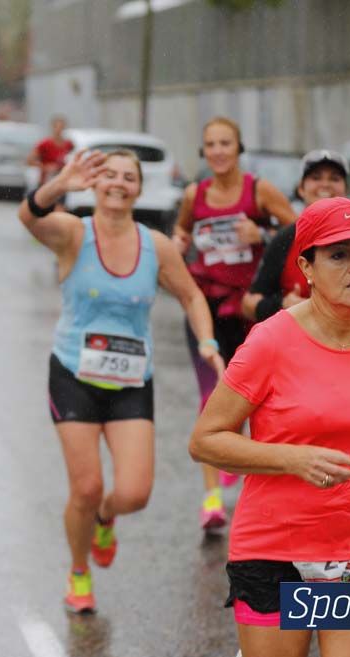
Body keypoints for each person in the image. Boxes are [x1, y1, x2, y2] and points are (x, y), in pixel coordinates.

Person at [189, 196, 350, 657]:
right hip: (272, 548)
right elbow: (205, 439)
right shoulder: (269, 341)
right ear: (306, 266)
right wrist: (292, 458)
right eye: (338, 255)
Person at [19, 149, 226, 614]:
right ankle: (78, 573)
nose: (117, 183)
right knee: (86, 488)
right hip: (74, 373)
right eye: (108, 175)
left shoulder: (157, 246)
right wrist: (58, 185)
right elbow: (29, 217)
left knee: (134, 492)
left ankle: (105, 519)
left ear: (139, 187)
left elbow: (192, 296)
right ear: (94, 184)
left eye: (128, 177)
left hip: (132, 379)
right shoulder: (74, 233)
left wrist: (208, 342)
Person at [172, 116, 297, 532]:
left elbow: (297, 230)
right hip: (204, 307)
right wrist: (179, 243)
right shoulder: (195, 193)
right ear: (204, 152)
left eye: (226, 143)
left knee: (250, 398)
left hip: (247, 311)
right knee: (212, 398)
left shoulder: (258, 190)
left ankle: (235, 454)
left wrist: (260, 232)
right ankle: (211, 501)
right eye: (211, 144)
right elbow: (181, 231)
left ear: (239, 148)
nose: (219, 151)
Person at [242, 149, 350, 323]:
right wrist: (281, 304)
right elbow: (248, 303)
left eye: (334, 178)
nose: (325, 185)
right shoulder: (285, 239)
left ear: (346, 189)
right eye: (316, 177)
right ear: (301, 189)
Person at [28, 115, 75, 211]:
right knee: (43, 210)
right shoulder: (44, 144)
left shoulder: (68, 144)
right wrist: (45, 167)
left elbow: (72, 159)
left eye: (61, 127)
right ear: (52, 128)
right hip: (45, 182)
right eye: (57, 127)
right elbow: (29, 160)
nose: (59, 130)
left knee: (60, 210)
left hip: (61, 181)